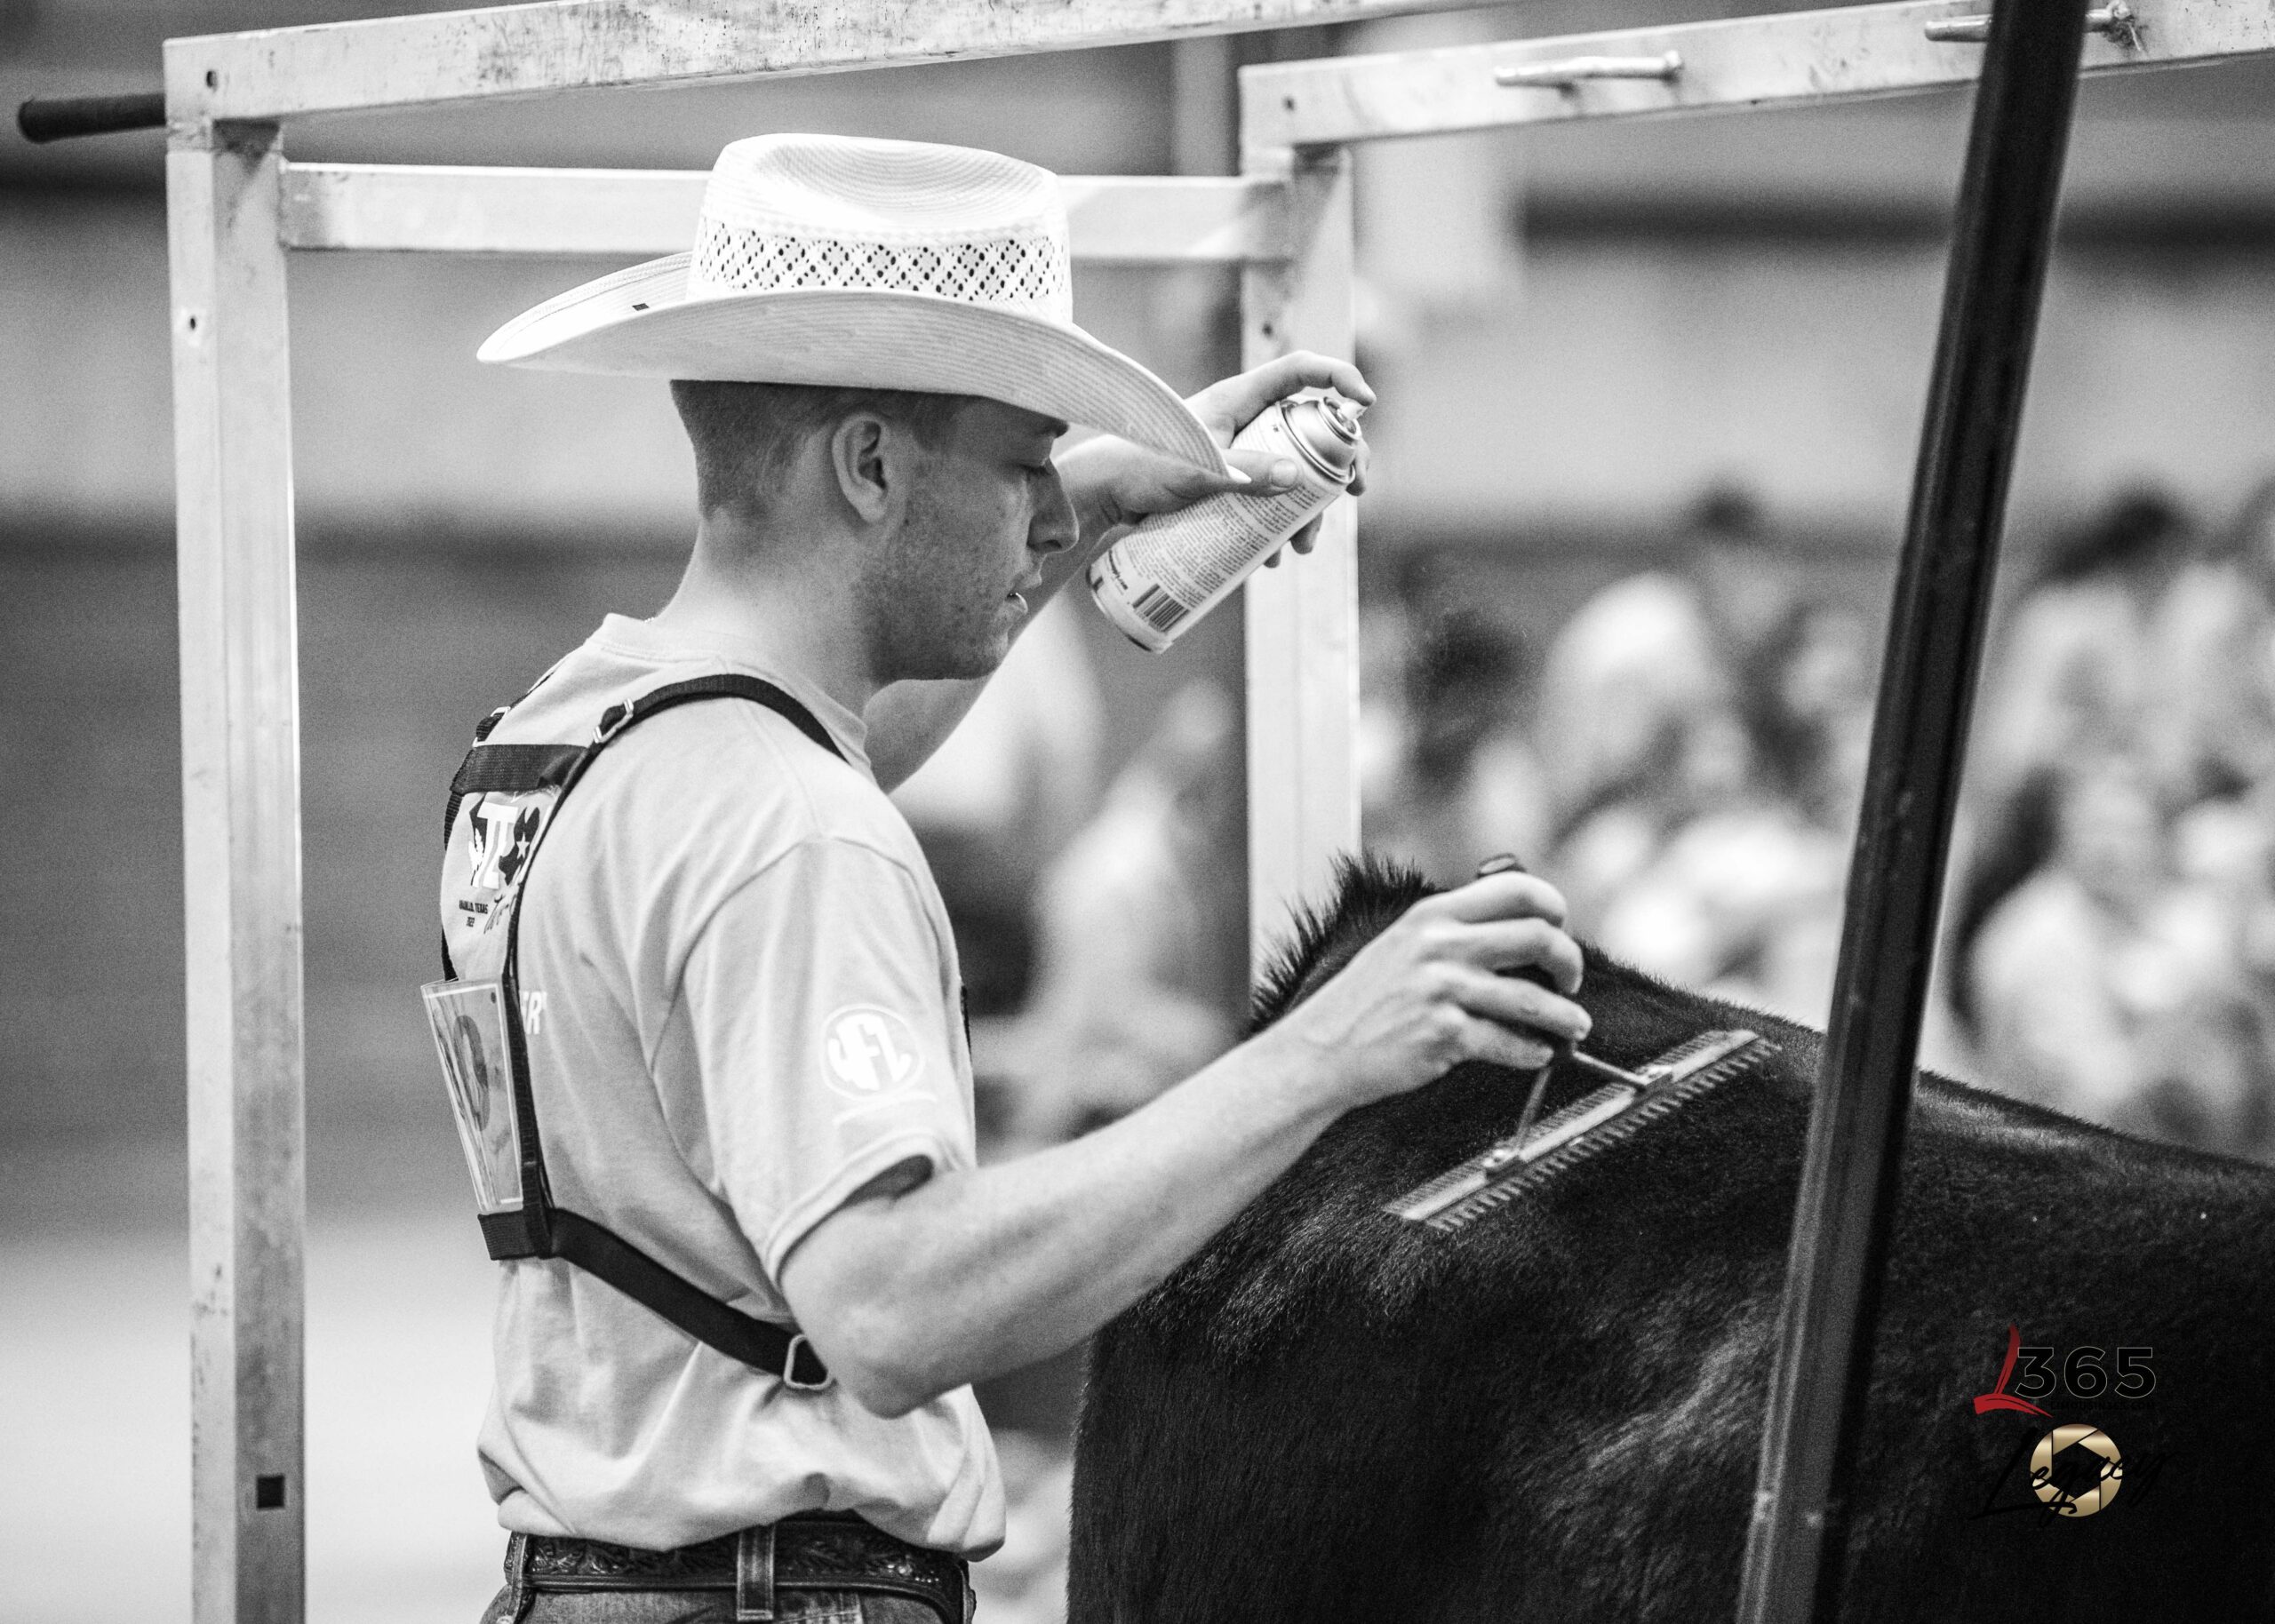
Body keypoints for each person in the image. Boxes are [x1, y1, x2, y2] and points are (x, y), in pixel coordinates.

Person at [442, 133, 1590, 1624]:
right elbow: (894, 1306)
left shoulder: (576, 735)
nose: (1049, 512)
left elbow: (818, 760)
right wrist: (1329, 1052)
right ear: (869, 466)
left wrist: (1092, 497)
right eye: (1020, 461)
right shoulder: (795, 831)